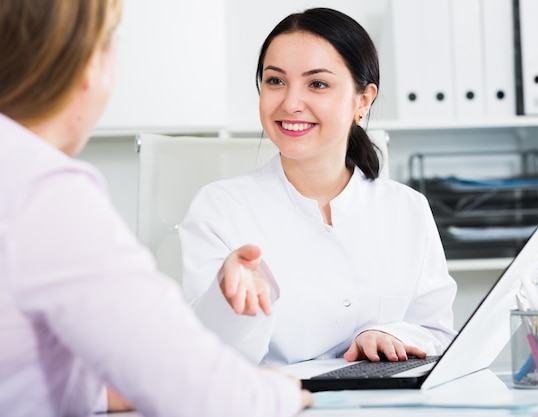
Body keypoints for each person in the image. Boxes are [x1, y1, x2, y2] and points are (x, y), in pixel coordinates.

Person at [0, 1, 313, 416]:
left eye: (318, 85)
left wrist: (95, 393)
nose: (292, 103)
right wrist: (281, 392)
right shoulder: (43, 194)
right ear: (91, 64)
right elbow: (195, 388)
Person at [179, 7, 458, 368]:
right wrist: (231, 302)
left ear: (363, 100)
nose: (291, 103)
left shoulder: (407, 208)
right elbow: (208, 359)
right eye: (275, 81)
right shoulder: (219, 208)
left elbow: (437, 333)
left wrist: (394, 336)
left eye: (318, 84)